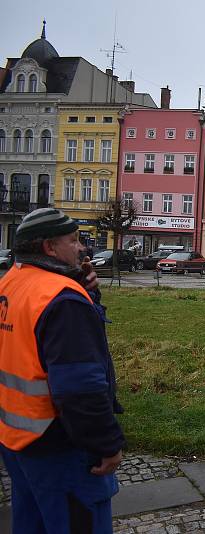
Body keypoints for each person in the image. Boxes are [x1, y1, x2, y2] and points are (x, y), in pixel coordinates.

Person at [0, 208, 125, 533]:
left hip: (18, 441)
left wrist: (87, 294)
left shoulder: (10, 284)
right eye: (73, 240)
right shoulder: (62, 300)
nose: (82, 247)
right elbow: (80, 388)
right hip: (62, 447)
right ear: (49, 248)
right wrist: (106, 445)